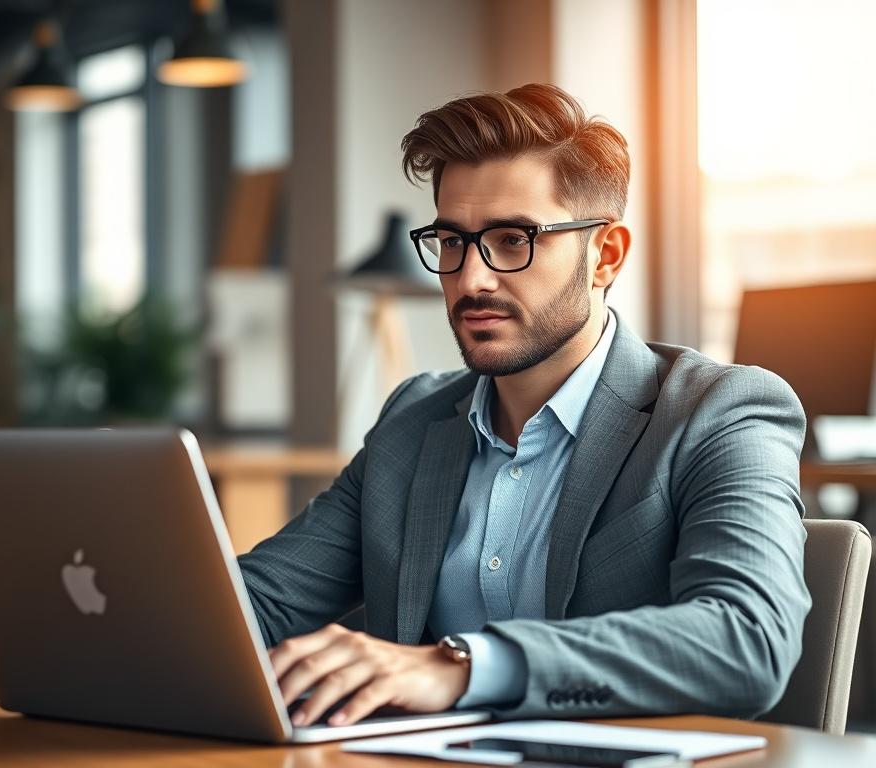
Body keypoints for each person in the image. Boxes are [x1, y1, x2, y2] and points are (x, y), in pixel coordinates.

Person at [237, 83, 810, 728]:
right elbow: (258, 604)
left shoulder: (720, 411)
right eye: (451, 242)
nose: (471, 278)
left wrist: (461, 667)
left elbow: (746, 639)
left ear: (605, 256)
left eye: (514, 239)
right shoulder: (413, 421)